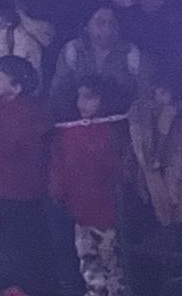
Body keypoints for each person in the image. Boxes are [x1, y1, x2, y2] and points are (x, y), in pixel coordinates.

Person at [0, 55, 53, 296]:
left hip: (20, 188)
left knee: (23, 242)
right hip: (0, 186)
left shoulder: (27, 112)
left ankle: (29, 288)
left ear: (17, 87)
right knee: (9, 240)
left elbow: (9, 146)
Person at [50, 79, 128, 296]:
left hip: (112, 215)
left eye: (89, 97)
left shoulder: (118, 130)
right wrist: (60, 193)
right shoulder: (67, 133)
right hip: (82, 214)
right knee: (90, 266)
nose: (81, 103)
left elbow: (120, 171)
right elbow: (60, 168)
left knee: (117, 267)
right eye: (79, 97)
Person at [126, 72, 182, 296]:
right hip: (156, 197)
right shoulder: (141, 116)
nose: (159, 96)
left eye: (164, 91)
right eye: (156, 90)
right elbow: (142, 158)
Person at [50, 7, 142, 117]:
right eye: (100, 23)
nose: (107, 28)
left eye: (112, 23)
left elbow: (143, 95)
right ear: (86, 26)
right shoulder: (72, 51)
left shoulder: (131, 53)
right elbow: (59, 92)